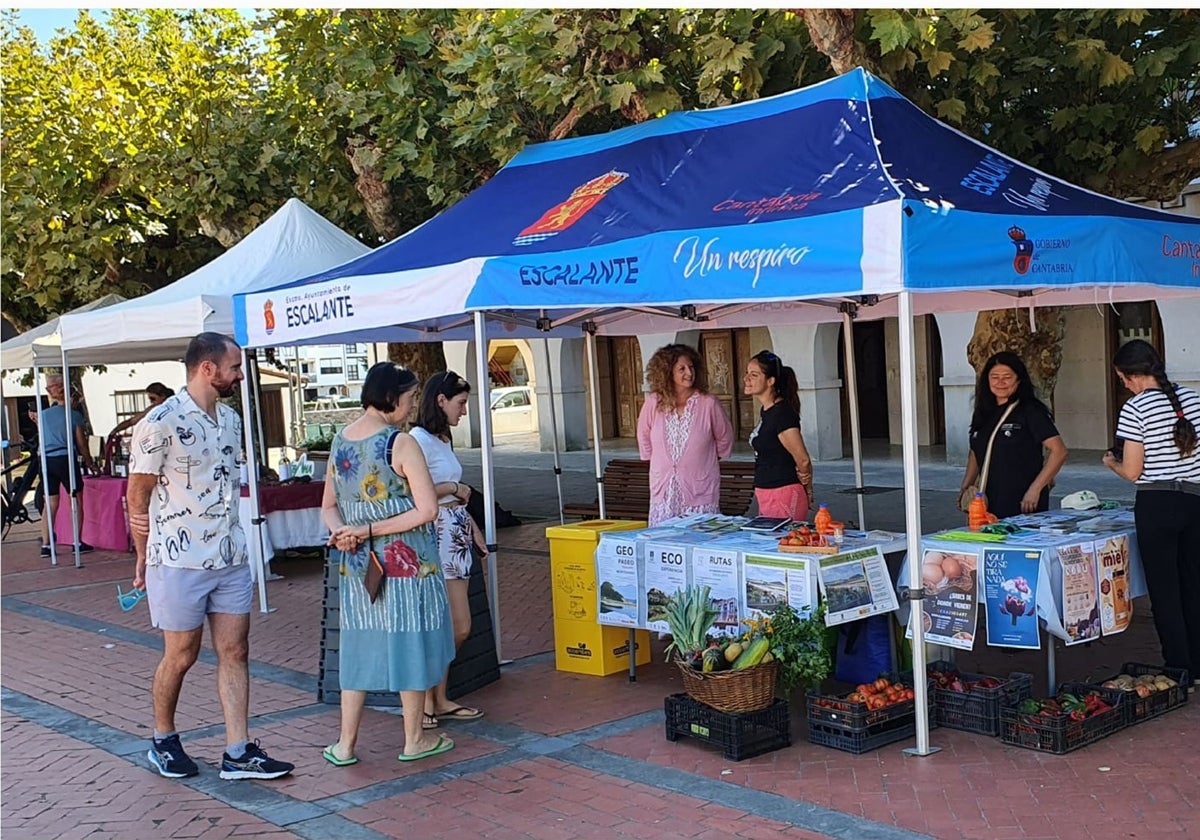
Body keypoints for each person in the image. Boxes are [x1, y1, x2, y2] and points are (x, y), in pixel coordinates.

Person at [127, 332, 293, 782]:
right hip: (178, 559)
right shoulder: (159, 422)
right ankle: (163, 739)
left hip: (231, 555)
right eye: (235, 368)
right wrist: (143, 557)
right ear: (207, 368)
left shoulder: (232, 420)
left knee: (235, 650)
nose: (240, 375)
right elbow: (137, 497)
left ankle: (237, 751)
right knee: (181, 654)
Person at [320, 362, 456, 766]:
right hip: (406, 561)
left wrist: (345, 532)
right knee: (409, 638)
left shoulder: (339, 442)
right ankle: (414, 739)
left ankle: (345, 744)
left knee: (360, 642)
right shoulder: (399, 443)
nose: (413, 406)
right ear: (392, 397)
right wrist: (367, 530)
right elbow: (427, 509)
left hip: (359, 565)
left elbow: (328, 506)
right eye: (411, 397)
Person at [1102, 339, 1200, 682]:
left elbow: (1132, 471)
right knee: (1193, 583)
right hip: (1195, 500)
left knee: (1165, 590)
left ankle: (1179, 668)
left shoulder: (1136, 408)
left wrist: (1110, 463)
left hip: (1157, 504)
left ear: (1128, 375)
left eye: (1122, 379)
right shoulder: (1193, 399)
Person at [411, 371, 488, 725]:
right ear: (440, 400)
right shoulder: (418, 440)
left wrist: (472, 527)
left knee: (453, 625)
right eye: (460, 403)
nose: (464, 411)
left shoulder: (440, 439)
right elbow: (418, 489)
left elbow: (451, 492)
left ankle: (437, 698)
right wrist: (455, 488)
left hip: (454, 531)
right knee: (454, 625)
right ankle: (428, 699)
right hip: (437, 535)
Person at [958, 351, 1067, 519]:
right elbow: (976, 451)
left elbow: (1059, 451)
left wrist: (1035, 489)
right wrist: (965, 487)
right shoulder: (983, 412)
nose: (1000, 382)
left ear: (1018, 380)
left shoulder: (1030, 411)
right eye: (994, 377)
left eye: (1007, 377)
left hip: (1023, 502)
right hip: (986, 501)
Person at [636, 343, 734, 525]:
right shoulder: (653, 402)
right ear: (667, 373)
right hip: (663, 489)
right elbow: (644, 436)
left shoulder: (708, 403)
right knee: (663, 541)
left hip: (700, 487)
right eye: (681, 369)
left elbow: (725, 437)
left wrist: (703, 460)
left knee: (699, 539)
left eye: (691, 367)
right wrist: (661, 463)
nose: (689, 373)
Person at [743, 350, 814, 520]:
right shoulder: (767, 410)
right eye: (747, 373)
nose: (746, 379)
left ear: (770, 381)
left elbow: (803, 459)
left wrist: (808, 488)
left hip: (783, 491)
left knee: (782, 542)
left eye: (754, 375)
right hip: (766, 491)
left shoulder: (782, 414)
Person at [38, 373, 96, 557]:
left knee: (50, 502)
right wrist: (89, 462)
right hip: (65, 457)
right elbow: (81, 443)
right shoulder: (74, 415)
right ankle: (76, 541)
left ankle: (46, 545)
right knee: (75, 498)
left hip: (46, 459)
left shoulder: (43, 415)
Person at [108, 382, 175, 438]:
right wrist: (115, 430)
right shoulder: (152, 409)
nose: (151, 402)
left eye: (153, 399)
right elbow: (132, 421)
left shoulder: (174, 408)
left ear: (163, 396)